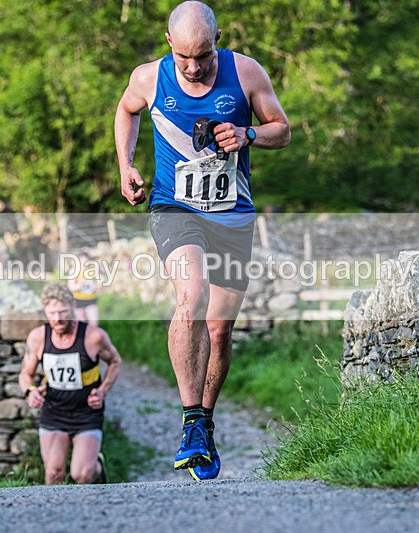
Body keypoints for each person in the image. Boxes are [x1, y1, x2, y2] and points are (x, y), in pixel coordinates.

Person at [114, 1, 290, 480]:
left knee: (220, 328)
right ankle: (191, 419)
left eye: (204, 56)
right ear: (169, 43)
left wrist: (250, 133)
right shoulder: (149, 77)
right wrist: (126, 165)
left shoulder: (247, 72)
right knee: (191, 298)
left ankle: (205, 425)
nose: (193, 68)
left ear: (218, 40)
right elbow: (126, 111)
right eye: (185, 57)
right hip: (176, 208)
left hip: (233, 213)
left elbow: (283, 130)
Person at [19, 283, 122, 484]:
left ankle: (97, 469)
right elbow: (25, 374)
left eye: (63, 312)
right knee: (53, 474)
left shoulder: (93, 336)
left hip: (86, 413)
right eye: (52, 313)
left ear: (73, 307)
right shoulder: (38, 337)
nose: (58, 318)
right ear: (45, 311)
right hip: (54, 412)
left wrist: (102, 392)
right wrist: (31, 391)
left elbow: (115, 362)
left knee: (82, 475)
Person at [68, 253, 100, 326]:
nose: (84, 264)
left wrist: (97, 286)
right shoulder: (74, 270)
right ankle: (83, 336)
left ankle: (93, 336)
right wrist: (80, 285)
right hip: (78, 299)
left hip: (91, 299)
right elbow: (71, 287)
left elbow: (100, 282)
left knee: (94, 322)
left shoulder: (93, 269)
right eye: (82, 262)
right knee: (81, 323)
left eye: (86, 261)